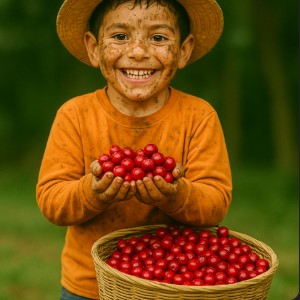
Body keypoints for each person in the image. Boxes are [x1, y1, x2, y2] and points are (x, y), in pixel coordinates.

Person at [36, 0, 232, 299]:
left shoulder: (199, 116)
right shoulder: (74, 115)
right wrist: (92, 192)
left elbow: (215, 202)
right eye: (120, 36)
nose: (138, 52)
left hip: (173, 283)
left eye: (158, 38)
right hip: (90, 285)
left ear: (183, 50)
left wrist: (176, 194)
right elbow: (51, 200)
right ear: (93, 47)